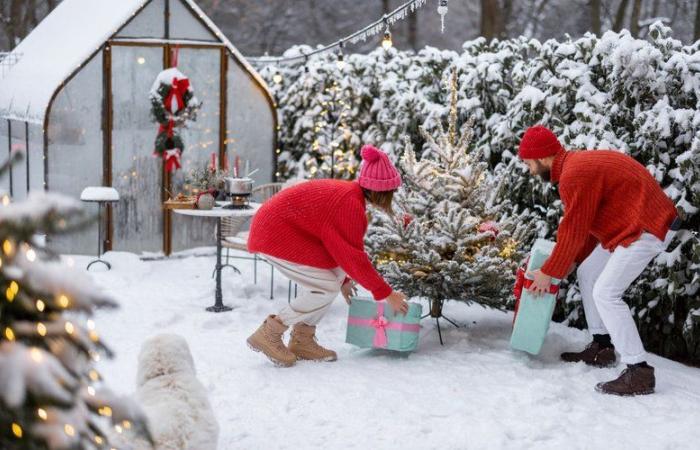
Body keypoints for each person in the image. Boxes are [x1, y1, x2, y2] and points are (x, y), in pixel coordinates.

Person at [518, 125, 680, 396]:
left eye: (529, 164)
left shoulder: (573, 174)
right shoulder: (574, 167)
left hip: (647, 227)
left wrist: (549, 272)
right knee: (588, 273)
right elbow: (588, 226)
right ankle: (603, 346)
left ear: (542, 157)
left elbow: (574, 230)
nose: (530, 171)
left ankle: (638, 370)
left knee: (606, 293)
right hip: (632, 227)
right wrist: (567, 265)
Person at [246, 145, 409, 367]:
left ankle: (302, 339)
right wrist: (386, 294)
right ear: (381, 191)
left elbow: (339, 249)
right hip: (275, 234)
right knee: (324, 287)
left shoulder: (351, 197)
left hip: (284, 231)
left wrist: (344, 279)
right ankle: (270, 332)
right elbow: (353, 256)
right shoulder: (350, 204)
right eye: (391, 191)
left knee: (329, 283)